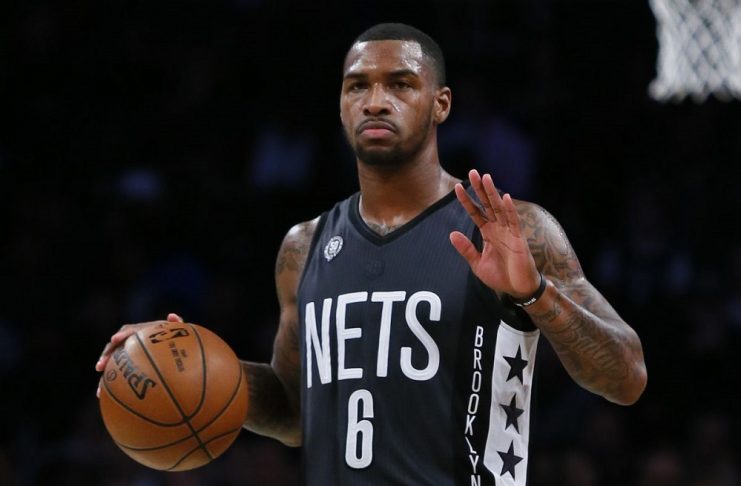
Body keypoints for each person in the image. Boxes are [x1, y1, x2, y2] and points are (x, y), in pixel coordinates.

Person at [95, 22, 647, 485]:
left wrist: (536, 295)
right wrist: (187, 360)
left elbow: (628, 378)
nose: (375, 101)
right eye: (357, 86)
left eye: (400, 84)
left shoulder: (510, 228)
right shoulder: (303, 247)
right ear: (341, 106)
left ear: (441, 104)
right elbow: (294, 411)